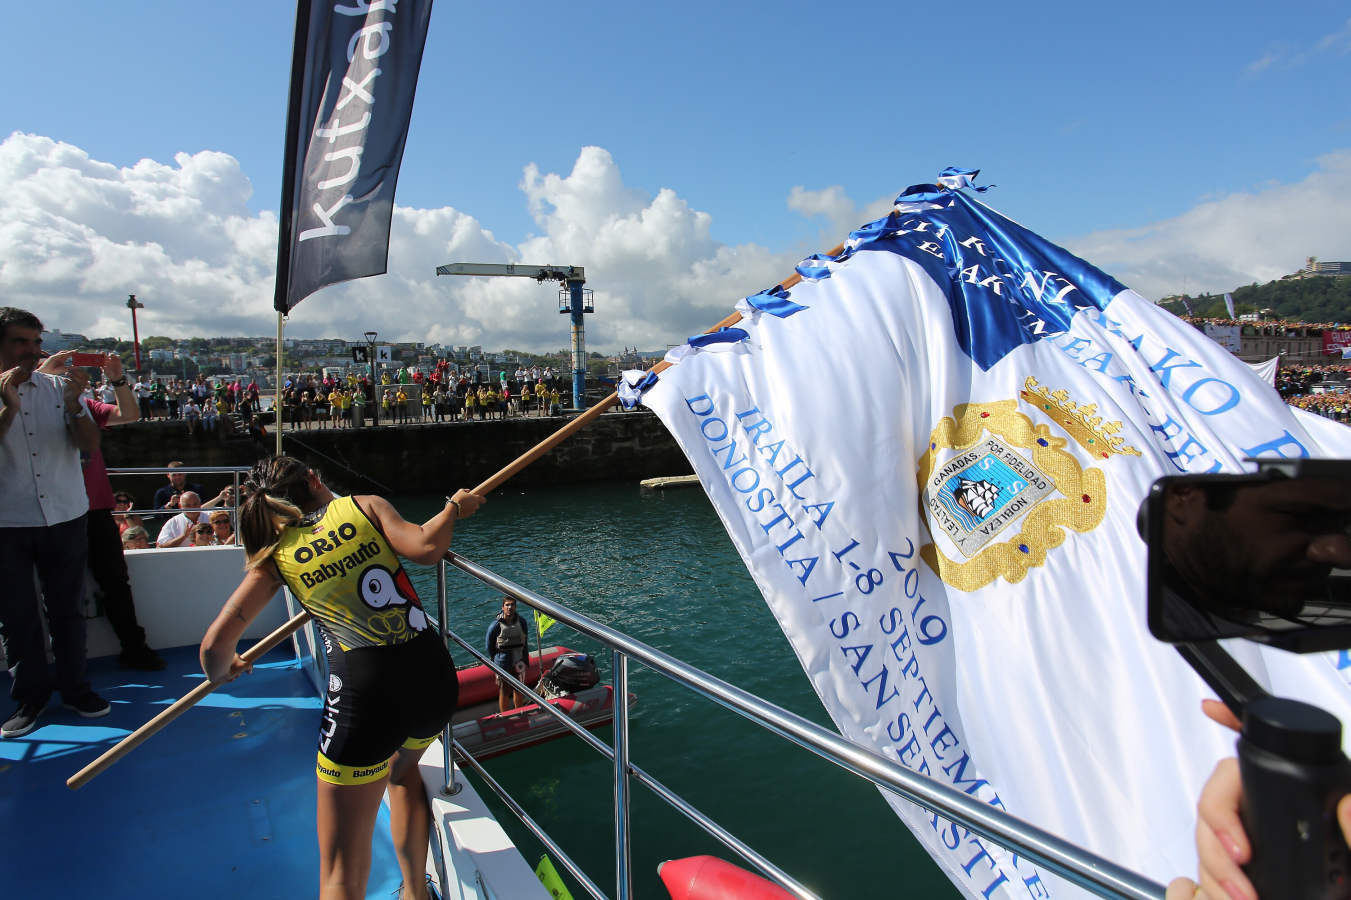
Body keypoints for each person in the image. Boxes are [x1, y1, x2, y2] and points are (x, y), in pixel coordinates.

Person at [199, 456, 484, 900]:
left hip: (365, 702)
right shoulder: (364, 507)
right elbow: (426, 547)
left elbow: (215, 647)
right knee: (402, 773)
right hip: (432, 682)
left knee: (340, 872)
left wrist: (225, 669)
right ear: (313, 478)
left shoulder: (277, 557)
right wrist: (452, 509)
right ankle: (415, 893)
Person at [0, 307, 109, 738]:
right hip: (8, 521)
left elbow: (88, 445)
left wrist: (73, 406)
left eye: (35, 342)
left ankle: (76, 689)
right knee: (16, 615)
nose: (32, 351)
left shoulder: (58, 388)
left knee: (67, 609)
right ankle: (30, 697)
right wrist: (8, 407)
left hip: (65, 514)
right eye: (20, 342)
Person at [37, 349, 165, 671]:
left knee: (115, 582)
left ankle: (134, 647)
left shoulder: (85, 405)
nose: (65, 372)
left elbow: (130, 414)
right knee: (60, 591)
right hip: (55, 511)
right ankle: (67, 665)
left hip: (94, 509)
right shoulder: (30, 409)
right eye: (57, 366)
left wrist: (117, 377)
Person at [485, 596, 531, 713]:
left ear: (515, 607)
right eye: (507, 605)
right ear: (503, 607)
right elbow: (489, 646)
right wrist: (496, 661)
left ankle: (519, 712)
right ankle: (505, 716)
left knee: (519, 690)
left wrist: (525, 660)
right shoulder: (495, 625)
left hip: (518, 661)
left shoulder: (522, 622)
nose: (510, 607)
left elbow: (525, 643)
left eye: (512, 605)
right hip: (503, 663)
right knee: (504, 691)